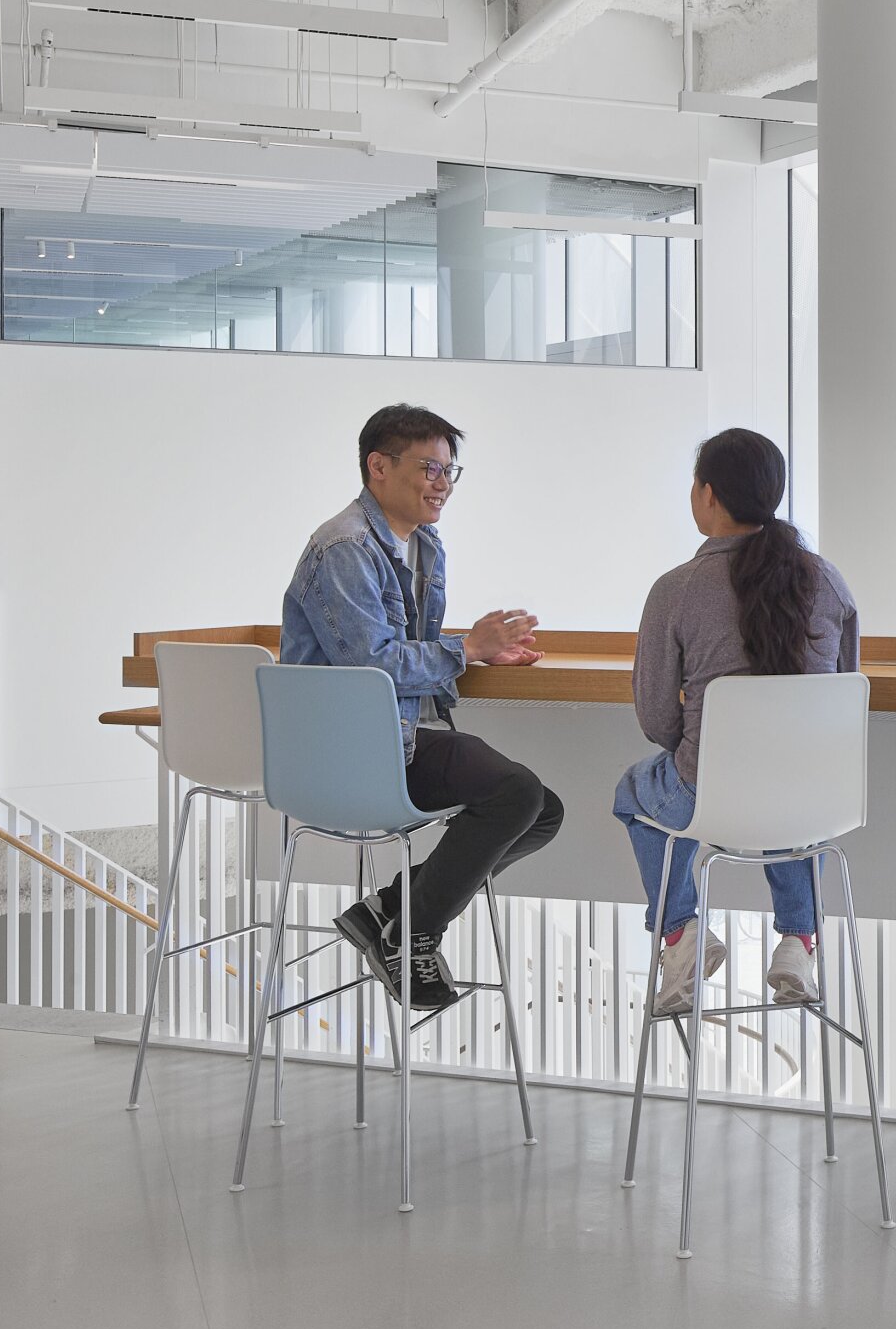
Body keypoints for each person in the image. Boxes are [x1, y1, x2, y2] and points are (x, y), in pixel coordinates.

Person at [282, 404, 561, 1010]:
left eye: (450, 471)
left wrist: (477, 655)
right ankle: (411, 931)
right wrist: (463, 649)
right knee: (516, 796)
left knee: (540, 811)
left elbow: (404, 654)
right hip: (348, 749)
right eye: (430, 468)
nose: (442, 484)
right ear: (377, 467)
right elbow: (373, 668)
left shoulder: (424, 546)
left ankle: (390, 911)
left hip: (391, 737)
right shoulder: (345, 547)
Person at [617, 428, 860, 1017]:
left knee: (634, 795)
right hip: (811, 798)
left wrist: (698, 749)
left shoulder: (675, 590)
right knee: (798, 800)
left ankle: (681, 936)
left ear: (707, 494)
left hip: (707, 796)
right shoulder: (826, 580)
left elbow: (654, 718)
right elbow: (843, 697)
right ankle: (798, 940)